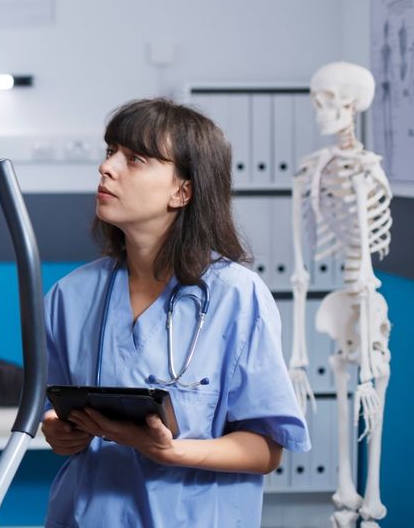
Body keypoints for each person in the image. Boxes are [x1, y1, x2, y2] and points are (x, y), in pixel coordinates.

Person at [41, 98, 310, 527]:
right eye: (110, 152)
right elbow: (56, 415)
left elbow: (265, 450)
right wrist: (59, 432)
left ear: (181, 191)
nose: (107, 168)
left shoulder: (237, 297)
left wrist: (168, 451)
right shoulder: (69, 297)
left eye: (136, 159)